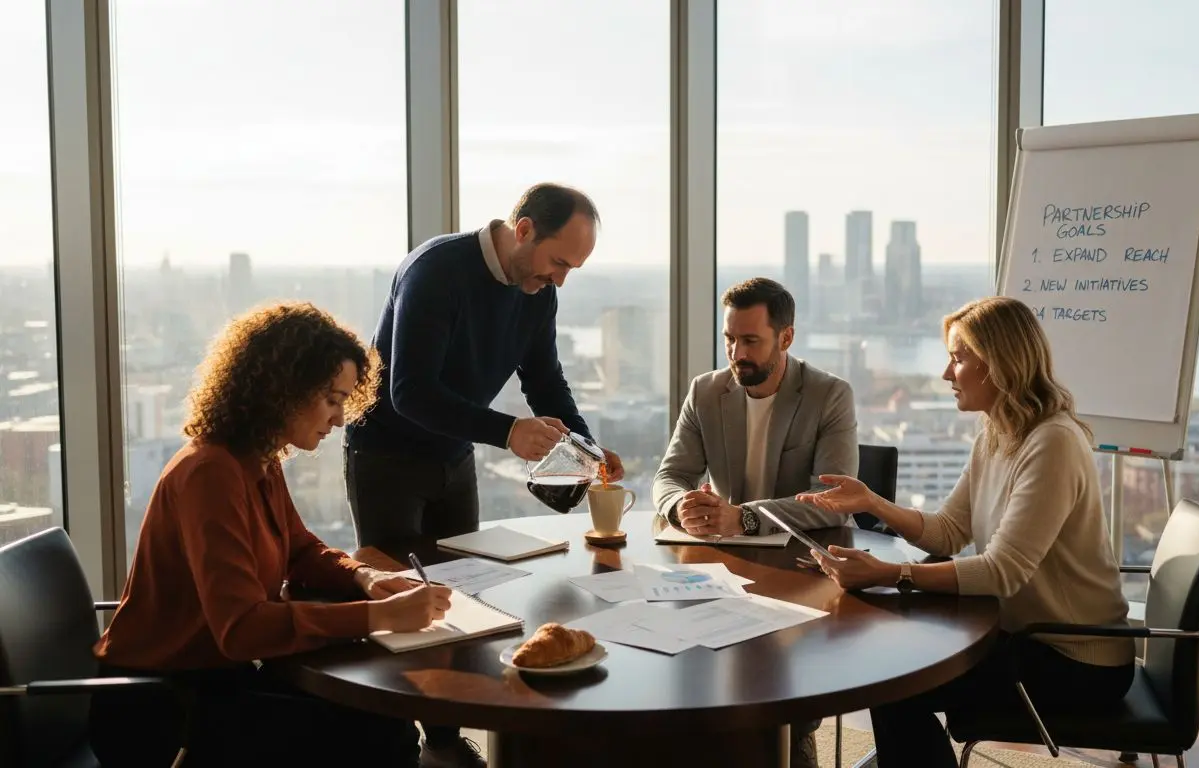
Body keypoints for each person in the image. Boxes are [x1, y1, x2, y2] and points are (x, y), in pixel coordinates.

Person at [89, 302, 453, 767]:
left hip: (216, 680)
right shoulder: (210, 474)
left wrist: (364, 579)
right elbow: (241, 631)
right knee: (378, 733)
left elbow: (299, 548)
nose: (341, 418)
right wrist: (379, 617)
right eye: (332, 399)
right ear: (284, 389)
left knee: (379, 720)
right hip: (162, 708)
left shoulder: (258, 458)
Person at [344, 182, 622, 765]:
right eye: (559, 262)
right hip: (387, 457)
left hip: (453, 454)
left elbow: (545, 382)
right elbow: (408, 391)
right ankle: (401, 748)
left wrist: (589, 449)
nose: (562, 279)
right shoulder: (436, 270)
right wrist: (508, 432)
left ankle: (445, 741)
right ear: (523, 231)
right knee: (404, 606)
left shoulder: (535, 288)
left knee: (463, 597)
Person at [795, 296, 1134, 768]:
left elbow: (1002, 572)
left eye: (958, 357)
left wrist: (893, 573)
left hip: (1075, 660)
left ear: (999, 363)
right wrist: (873, 502)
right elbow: (949, 531)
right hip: (1025, 636)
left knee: (898, 680)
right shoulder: (997, 433)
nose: (946, 373)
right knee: (896, 665)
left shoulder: (1052, 442)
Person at [652, 277, 858, 767]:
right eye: (729, 339)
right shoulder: (707, 391)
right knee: (680, 656)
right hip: (720, 565)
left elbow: (835, 500)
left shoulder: (829, 395)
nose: (736, 353)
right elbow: (670, 475)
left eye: (750, 341)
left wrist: (742, 517)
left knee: (782, 672)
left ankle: (793, 744)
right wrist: (680, 504)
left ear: (785, 338)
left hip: (800, 567)